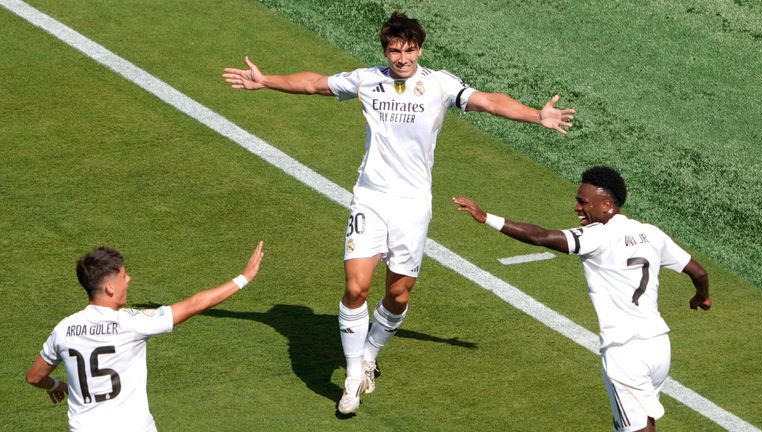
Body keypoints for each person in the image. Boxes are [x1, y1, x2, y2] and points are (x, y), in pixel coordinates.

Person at [223, 11, 575, 415]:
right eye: (395, 50)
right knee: (356, 287)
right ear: (385, 51)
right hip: (370, 198)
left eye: (409, 50)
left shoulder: (439, 84)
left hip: (413, 205)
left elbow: (489, 102)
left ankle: (370, 354)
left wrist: (537, 115)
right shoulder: (367, 79)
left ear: (420, 50)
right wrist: (265, 80)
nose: (402, 58)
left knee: (398, 293)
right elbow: (315, 84)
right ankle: (354, 374)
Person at [453, 166, 711, 432]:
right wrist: (701, 296)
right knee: (632, 421)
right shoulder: (651, 233)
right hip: (658, 346)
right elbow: (699, 272)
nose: (576, 208)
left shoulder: (598, 236)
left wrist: (486, 218)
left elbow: (541, 236)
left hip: (625, 351)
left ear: (607, 205)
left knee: (637, 428)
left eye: (582, 202)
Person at [26, 242, 265, 431]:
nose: (128, 279)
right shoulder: (130, 322)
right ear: (109, 287)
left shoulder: (64, 329)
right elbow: (194, 304)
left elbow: (35, 376)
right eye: (123, 275)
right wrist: (244, 278)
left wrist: (56, 385)